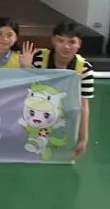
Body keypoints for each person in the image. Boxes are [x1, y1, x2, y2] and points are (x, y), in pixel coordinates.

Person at [31, 21, 94, 159]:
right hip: (39, 116)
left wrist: (83, 139)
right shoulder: (39, 59)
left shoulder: (85, 68)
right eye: (61, 41)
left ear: (79, 44)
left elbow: (84, 106)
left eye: (72, 42)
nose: (66, 46)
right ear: (53, 41)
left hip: (67, 119)